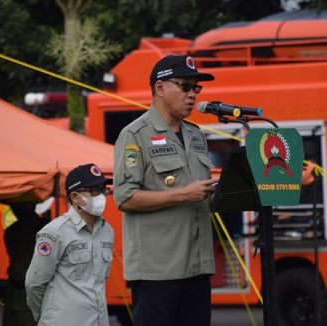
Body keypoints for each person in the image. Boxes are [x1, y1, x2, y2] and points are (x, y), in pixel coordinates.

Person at [113, 55, 218, 326]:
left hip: (197, 267)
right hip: (157, 271)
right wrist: (183, 194)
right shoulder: (135, 135)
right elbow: (124, 197)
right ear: (160, 88)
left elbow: (201, 194)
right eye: (185, 86)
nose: (192, 95)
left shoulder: (196, 135)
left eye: (196, 89)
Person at [25, 163, 114, 326]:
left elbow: (99, 282)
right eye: (94, 191)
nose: (100, 195)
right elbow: (34, 284)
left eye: (103, 189)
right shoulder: (55, 232)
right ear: (74, 197)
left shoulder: (107, 231)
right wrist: (45, 315)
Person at [3, 201, 48, 326]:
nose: (14, 211)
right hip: (17, 292)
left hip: (35, 294)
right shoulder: (12, 231)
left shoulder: (47, 229)